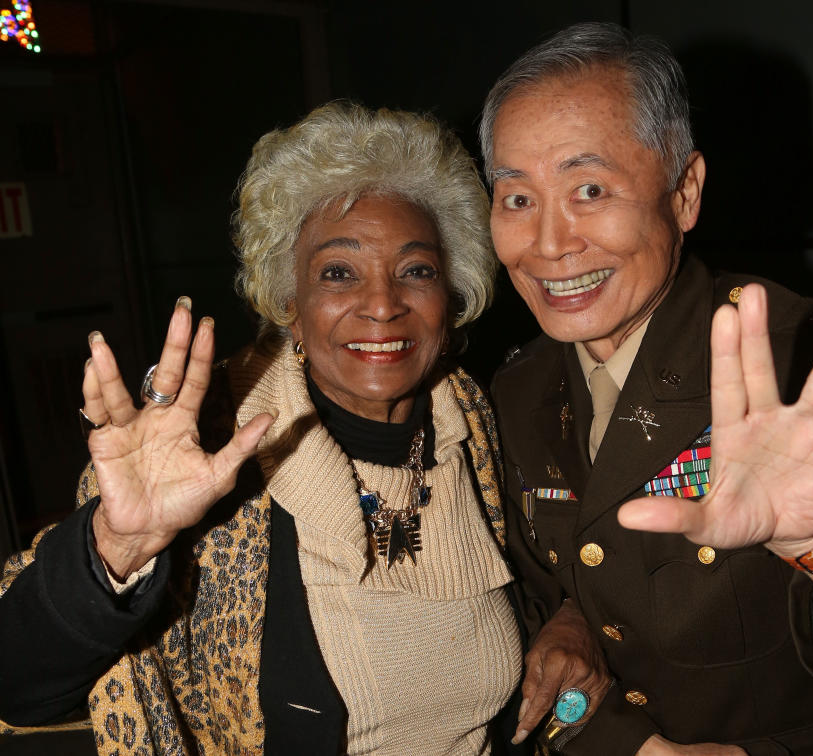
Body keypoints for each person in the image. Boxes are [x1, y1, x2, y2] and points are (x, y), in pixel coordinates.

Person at [0, 102, 541, 755]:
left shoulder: (475, 423)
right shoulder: (208, 456)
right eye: (338, 271)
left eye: (416, 270)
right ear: (289, 303)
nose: (382, 303)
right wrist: (119, 543)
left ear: (452, 298)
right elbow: (17, 686)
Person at [482, 21, 813, 755]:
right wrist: (617, 733)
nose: (548, 243)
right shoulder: (516, 389)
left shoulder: (812, 365)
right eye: (516, 199)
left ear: (684, 194)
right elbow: (524, 611)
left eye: (589, 188)